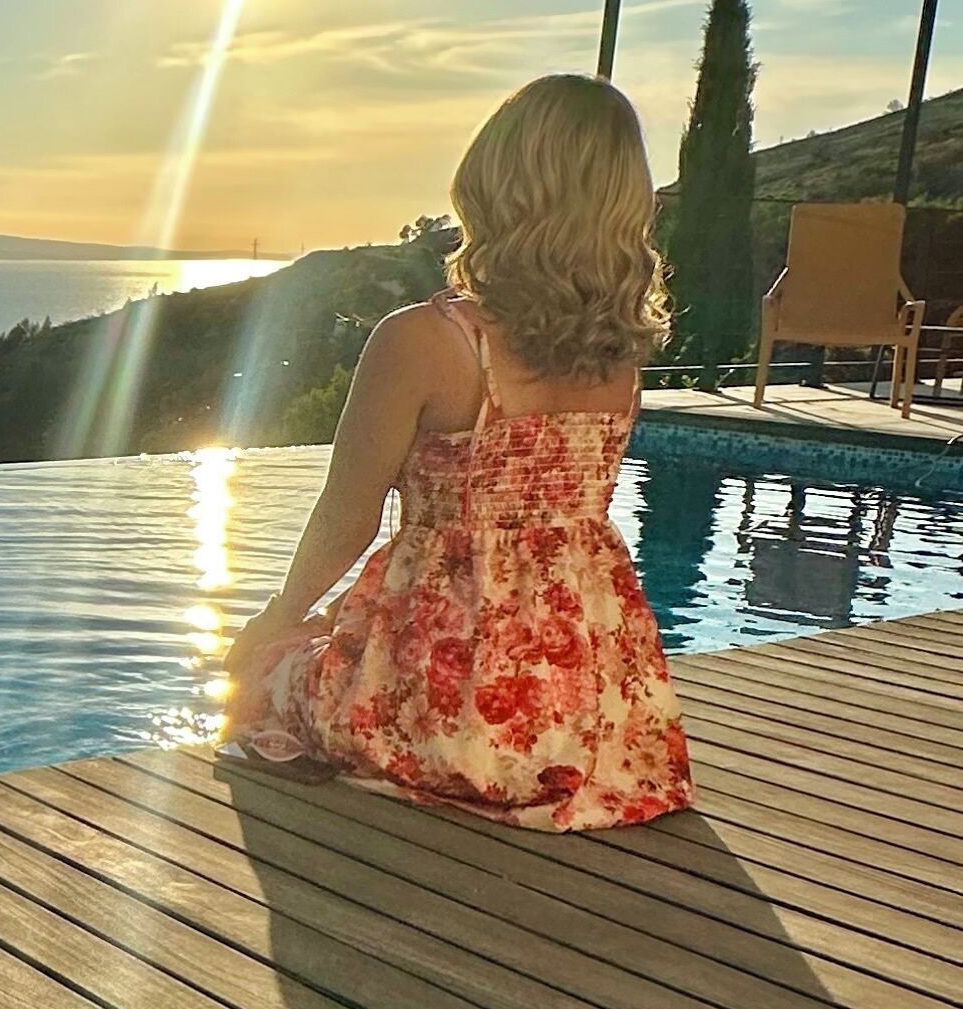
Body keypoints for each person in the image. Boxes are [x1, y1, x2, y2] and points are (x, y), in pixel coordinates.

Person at [226, 71, 690, 831]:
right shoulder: (619, 358)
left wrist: (276, 618)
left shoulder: (425, 341)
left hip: (450, 709)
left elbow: (347, 519)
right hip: (589, 722)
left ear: (492, 182)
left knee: (268, 672)